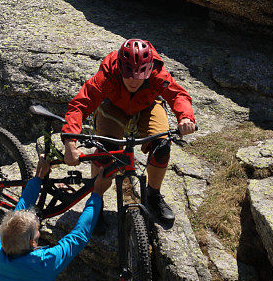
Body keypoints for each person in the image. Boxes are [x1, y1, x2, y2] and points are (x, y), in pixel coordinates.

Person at [61, 38, 196, 227]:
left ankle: (153, 195)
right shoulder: (109, 73)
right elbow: (80, 104)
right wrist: (70, 141)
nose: (134, 81)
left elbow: (177, 95)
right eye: (128, 75)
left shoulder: (156, 72)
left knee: (162, 146)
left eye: (140, 76)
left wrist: (185, 117)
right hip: (113, 107)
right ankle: (95, 201)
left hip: (147, 106)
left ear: (148, 70)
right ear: (120, 68)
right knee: (105, 150)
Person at [0, 156, 105, 281]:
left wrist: (38, 178)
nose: (38, 228)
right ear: (33, 243)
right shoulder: (43, 263)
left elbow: (19, 210)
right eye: (37, 229)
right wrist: (97, 193)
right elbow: (78, 236)